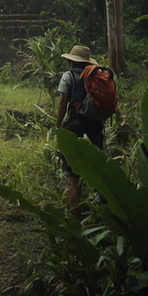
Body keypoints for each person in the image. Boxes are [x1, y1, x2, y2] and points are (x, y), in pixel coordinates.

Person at [56, 45, 103, 214]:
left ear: (71, 60)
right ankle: (102, 212)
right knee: (99, 169)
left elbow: (63, 104)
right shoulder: (98, 77)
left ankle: (74, 213)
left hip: (75, 122)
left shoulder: (69, 76)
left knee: (72, 171)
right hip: (95, 123)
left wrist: (58, 125)